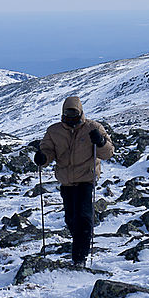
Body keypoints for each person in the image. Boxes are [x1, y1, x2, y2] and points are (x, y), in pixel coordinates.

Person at [34, 95, 114, 267]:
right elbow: (47, 150)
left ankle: (80, 258)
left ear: (80, 113)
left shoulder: (93, 128)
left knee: (84, 218)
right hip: (66, 182)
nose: (71, 119)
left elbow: (108, 153)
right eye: (67, 115)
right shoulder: (54, 131)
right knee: (71, 219)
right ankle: (79, 248)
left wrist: (100, 142)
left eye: (74, 115)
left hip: (86, 179)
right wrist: (43, 157)